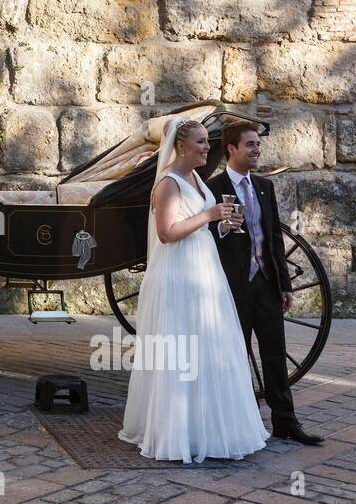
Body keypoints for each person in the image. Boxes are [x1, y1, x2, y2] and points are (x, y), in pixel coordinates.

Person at [119, 118, 269, 463]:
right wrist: (210, 215)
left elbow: (200, 226)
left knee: (209, 348)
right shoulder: (168, 183)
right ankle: (177, 431)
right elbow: (167, 233)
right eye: (201, 142)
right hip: (178, 277)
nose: (206, 148)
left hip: (204, 273)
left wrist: (222, 224)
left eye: (206, 142)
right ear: (182, 146)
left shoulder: (196, 178)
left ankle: (207, 426)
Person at [208, 120, 324, 445]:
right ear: (231, 149)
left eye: (258, 144)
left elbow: (274, 238)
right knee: (237, 355)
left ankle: (286, 422)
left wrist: (284, 284)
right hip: (234, 286)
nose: (256, 150)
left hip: (266, 282)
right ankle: (238, 426)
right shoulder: (213, 188)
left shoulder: (264, 186)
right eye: (250, 145)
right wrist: (221, 226)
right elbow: (204, 237)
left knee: (275, 353)